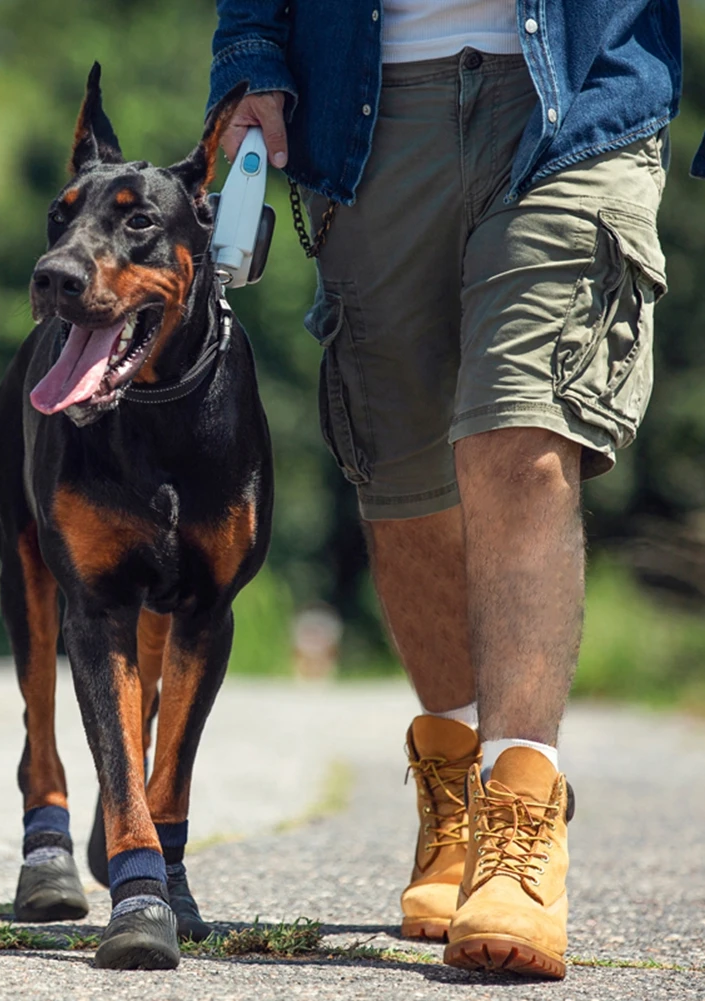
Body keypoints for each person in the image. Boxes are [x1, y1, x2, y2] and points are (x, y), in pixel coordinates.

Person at [209, 0, 701, 980]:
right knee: (398, 475)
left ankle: (520, 805)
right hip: (366, 107)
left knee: (518, 433)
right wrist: (251, 59)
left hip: (575, 100)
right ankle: (453, 780)